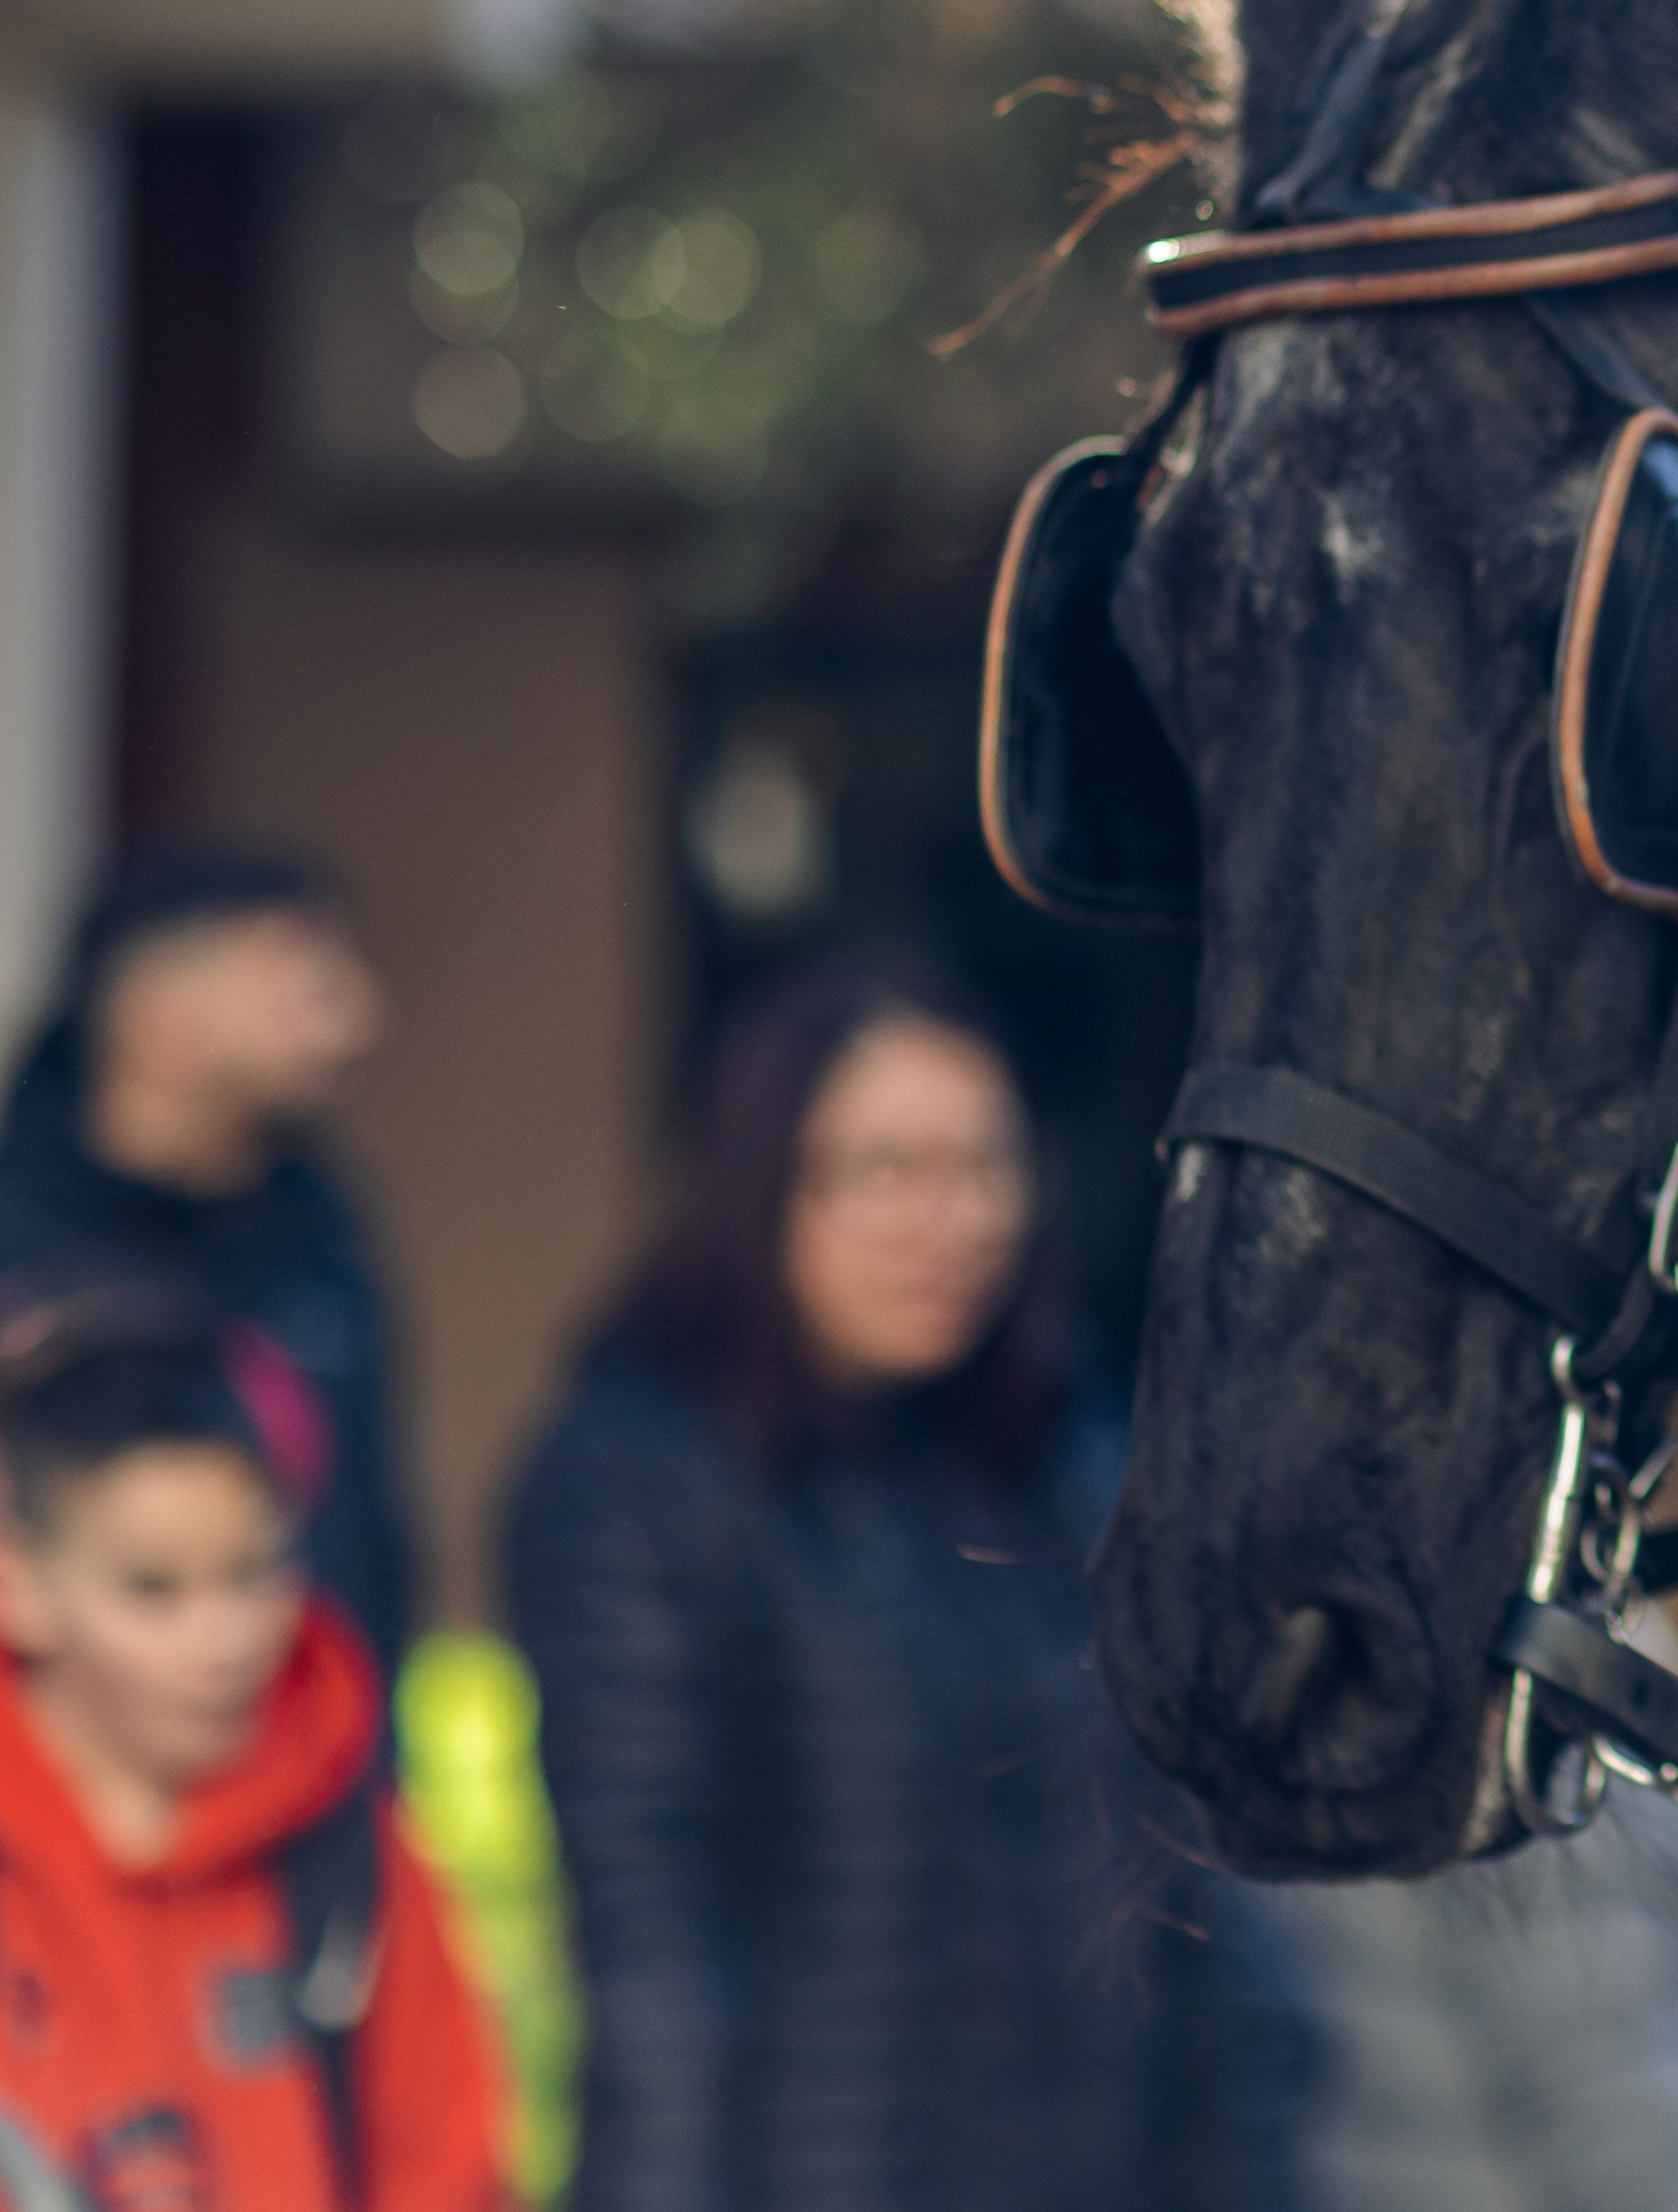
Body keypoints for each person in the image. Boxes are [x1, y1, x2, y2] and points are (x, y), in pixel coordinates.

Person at [504, 964, 1299, 2212]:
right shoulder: (639, 1480)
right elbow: (653, 1971)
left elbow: (1210, 1932)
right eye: (886, 1169)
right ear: (763, 1184)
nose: (953, 1219)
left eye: (985, 1167)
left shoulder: (1073, 1464)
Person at [0, 1285, 510, 2211]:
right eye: (153, 1589)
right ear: (19, 1581)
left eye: (255, 1570)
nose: (225, 1638)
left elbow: (450, 2170)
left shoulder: (348, 1852)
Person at [0, 851, 419, 1676]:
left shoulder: (322, 1230)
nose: (360, 1022)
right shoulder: (21, 1244)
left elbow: (372, 1534)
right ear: (164, 1021)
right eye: (310, 994)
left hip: (310, 1765)